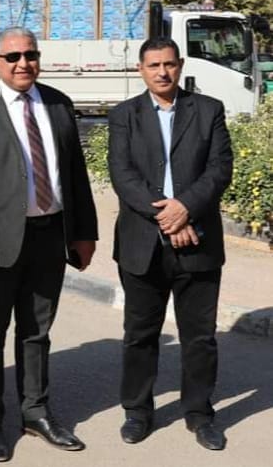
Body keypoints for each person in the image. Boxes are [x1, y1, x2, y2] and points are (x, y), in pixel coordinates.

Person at [0, 27, 98, 461]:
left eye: (30, 55)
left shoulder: (58, 103)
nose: (23, 64)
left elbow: (75, 174)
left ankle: (35, 412)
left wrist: (84, 232)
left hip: (49, 235)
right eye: (13, 56)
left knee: (37, 331)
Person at [107, 37, 233, 451]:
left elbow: (220, 169)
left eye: (169, 64)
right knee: (139, 334)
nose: (162, 72)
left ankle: (199, 414)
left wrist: (186, 208)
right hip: (143, 243)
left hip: (198, 241)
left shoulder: (208, 110)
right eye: (153, 65)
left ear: (180, 65)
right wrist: (168, 216)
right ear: (141, 70)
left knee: (200, 337)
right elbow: (122, 175)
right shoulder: (124, 115)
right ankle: (137, 411)